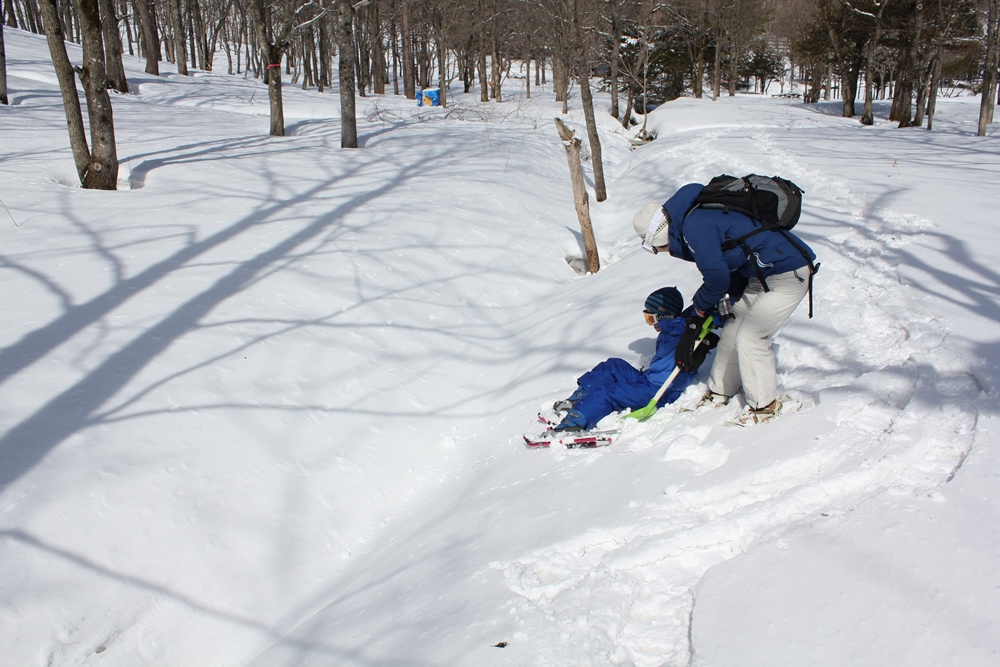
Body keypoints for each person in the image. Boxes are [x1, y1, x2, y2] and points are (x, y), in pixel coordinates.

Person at [633, 182, 817, 425]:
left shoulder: (694, 226)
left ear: (660, 235)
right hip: (758, 274)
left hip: (788, 273)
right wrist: (717, 304)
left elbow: (716, 277)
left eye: (657, 247)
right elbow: (731, 263)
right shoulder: (691, 220)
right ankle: (720, 390)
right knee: (733, 327)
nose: (663, 251)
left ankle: (765, 407)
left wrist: (699, 309)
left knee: (751, 336)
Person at [552, 287, 719, 432]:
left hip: (658, 392)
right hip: (647, 381)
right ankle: (577, 399)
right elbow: (692, 310)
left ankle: (574, 422)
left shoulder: (678, 332)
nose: (649, 324)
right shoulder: (674, 326)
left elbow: (699, 316)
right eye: (646, 318)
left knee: (609, 392)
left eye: (651, 318)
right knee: (613, 365)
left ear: (664, 316)